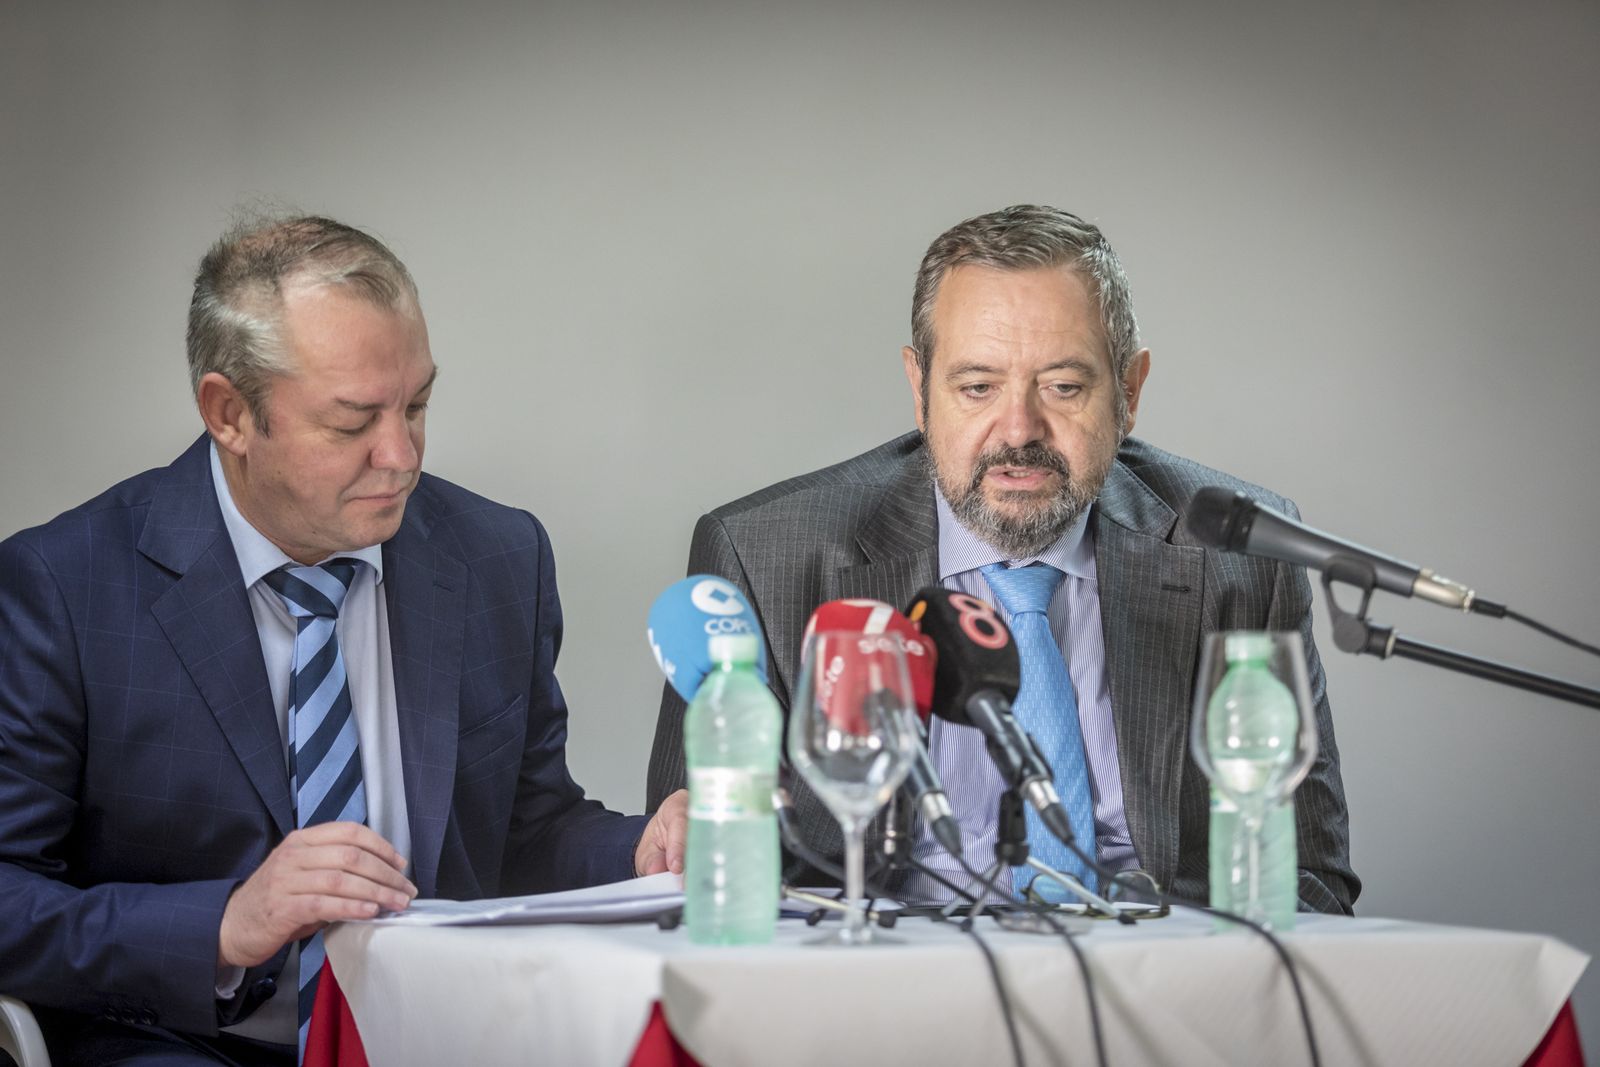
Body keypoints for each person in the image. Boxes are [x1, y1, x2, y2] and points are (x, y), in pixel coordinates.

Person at [0, 215, 688, 1065]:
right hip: (181, 1042)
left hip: (449, 1036)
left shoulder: (497, 557)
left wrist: (641, 846)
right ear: (229, 413)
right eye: (352, 421)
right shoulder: (66, 587)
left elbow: (523, 832)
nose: (400, 454)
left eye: (418, 404)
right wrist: (225, 922)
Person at [646, 204, 1358, 913]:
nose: (1018, 430)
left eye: (1064, 387)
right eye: (978, 386)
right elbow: (695, 867)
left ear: (1130, 391)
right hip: (882, 993)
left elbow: (1313, 879)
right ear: (920, 390)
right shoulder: (766, 557)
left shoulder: (1239, 555)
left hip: (1161, 989)